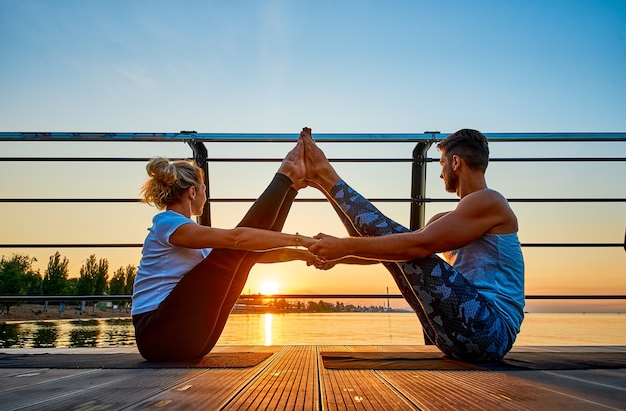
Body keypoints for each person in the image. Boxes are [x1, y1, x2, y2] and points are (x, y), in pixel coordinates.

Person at [303, 127, 524, 362]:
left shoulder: (490, 201)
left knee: (413, 248)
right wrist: (337, 256)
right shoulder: (445, 220)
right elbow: (392, 248)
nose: (440, 174)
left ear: (456, 162)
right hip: (454, 334)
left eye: (441, 164)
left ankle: (325, 176)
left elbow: (415, 247)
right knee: (402, 249)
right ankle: (323, 181)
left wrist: (344, 246)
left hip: (490, 333)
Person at [132, 136, 317, 362]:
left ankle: (290, 184)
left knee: (243, 256)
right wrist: (300, 239)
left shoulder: (191, 235)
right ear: (192, 192)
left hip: (186, 341)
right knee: (235, 247)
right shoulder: (167, 223)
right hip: (156, 334)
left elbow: (249, 254)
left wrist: (304, 254)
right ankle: (286, 175)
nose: (205, 197)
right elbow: (237, 239)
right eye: (203, 190)